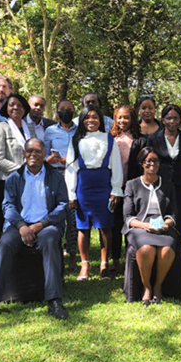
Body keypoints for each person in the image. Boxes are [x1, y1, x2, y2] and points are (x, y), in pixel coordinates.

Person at [0, 138, 69, 320]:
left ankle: (54, 300)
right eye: (30, 151)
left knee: (50, 241)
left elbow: (63, 205)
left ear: (44, 155)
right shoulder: (14, 178)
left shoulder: (56, 177)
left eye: (38, 151)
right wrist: (21, 226)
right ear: (24, 154)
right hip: (19, 224)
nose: (33, 154)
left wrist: (41, 224)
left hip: (46, 225)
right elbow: (8, 206)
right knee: (4, 244)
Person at [66, 105, 124, 281]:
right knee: (83, 227)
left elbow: (116, 166)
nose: (91, 121)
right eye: (87, 117)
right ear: (82, 120)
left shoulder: (109, 139)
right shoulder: (76, 140)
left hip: (104, 186)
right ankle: (85, 265)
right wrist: (71, 194)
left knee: (105, 226)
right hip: (84, 186)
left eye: (95, 117)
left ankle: (104, 264)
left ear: (101, 120)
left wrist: (116, 190)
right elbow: (70, 168)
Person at [123, 147, 179, 306]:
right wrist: (145, 226)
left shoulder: (168, 184)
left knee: (167, 249)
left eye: (156, 161)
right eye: (149, 161)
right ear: (141, 163)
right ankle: (146, 287)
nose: (152, 164)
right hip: (140, 227)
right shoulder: (132, 185)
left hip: (163, 226)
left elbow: (173, 213)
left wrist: (165, 224)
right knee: (147, 248)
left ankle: (158, 286)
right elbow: (128, 217)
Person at [0, 93, 37, 257]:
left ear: (25, 108)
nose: (15, 107)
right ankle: (5, 254)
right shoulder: (0, 127)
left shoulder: (30, 128)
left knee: (28, 216)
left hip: (31, 180)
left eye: (19, 105)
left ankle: (26, 251)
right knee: (11, 218)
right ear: (6, 109)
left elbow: (35, 152)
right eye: (11, 105)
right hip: (9, 180)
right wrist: (21, 170)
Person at [143, 105, 181, 246]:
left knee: (180, 215)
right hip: (159, 184)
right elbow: (148, 159)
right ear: (163, 119)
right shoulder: (154, 138)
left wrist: (178, 170)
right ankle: (159, 246)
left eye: (176, 118)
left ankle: (177, 249)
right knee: (161, 213)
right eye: (169, 118)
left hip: (180, 184)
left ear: (180, 120)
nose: (172, 121)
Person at [43, 99, 79, 271]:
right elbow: (43, 155)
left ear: (74, 111)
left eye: (69, 109)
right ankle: (56, 254)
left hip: (74, 174)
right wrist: (49, 160)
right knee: (55, 214)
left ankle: (72, 254)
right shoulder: (49, 131)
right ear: (57, 112)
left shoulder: (80, 130)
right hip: (55, 174)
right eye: (62, 109)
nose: (65, 112)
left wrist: (70, 160)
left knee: (73, 215)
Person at [109, 105, 141, 275]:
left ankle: (131, 259)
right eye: (119, 117)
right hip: (114, 188)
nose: (122, 121)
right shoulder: (110, 138)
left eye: (126, 117)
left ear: (132, 119)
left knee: (131, 223)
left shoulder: (139, 139)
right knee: (114, 226)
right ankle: (115, 260)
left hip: (132, 188)